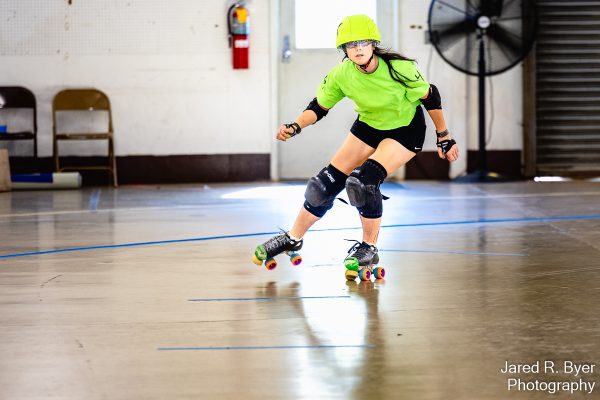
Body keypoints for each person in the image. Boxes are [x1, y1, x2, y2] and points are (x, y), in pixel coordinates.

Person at [252, 14, 459, 280]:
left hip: (406, 129)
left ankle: (369, 248)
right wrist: (295, 126)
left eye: (363, 43)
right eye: (351, 44)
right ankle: (293, 238)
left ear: (373, 44)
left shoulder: (399, 69)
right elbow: (319, 107)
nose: (358, 49)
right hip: (369, 125)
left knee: (363, 182)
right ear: (344, 50)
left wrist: (444, 135)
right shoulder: (342, 74)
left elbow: (431, 96)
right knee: (322, 185)